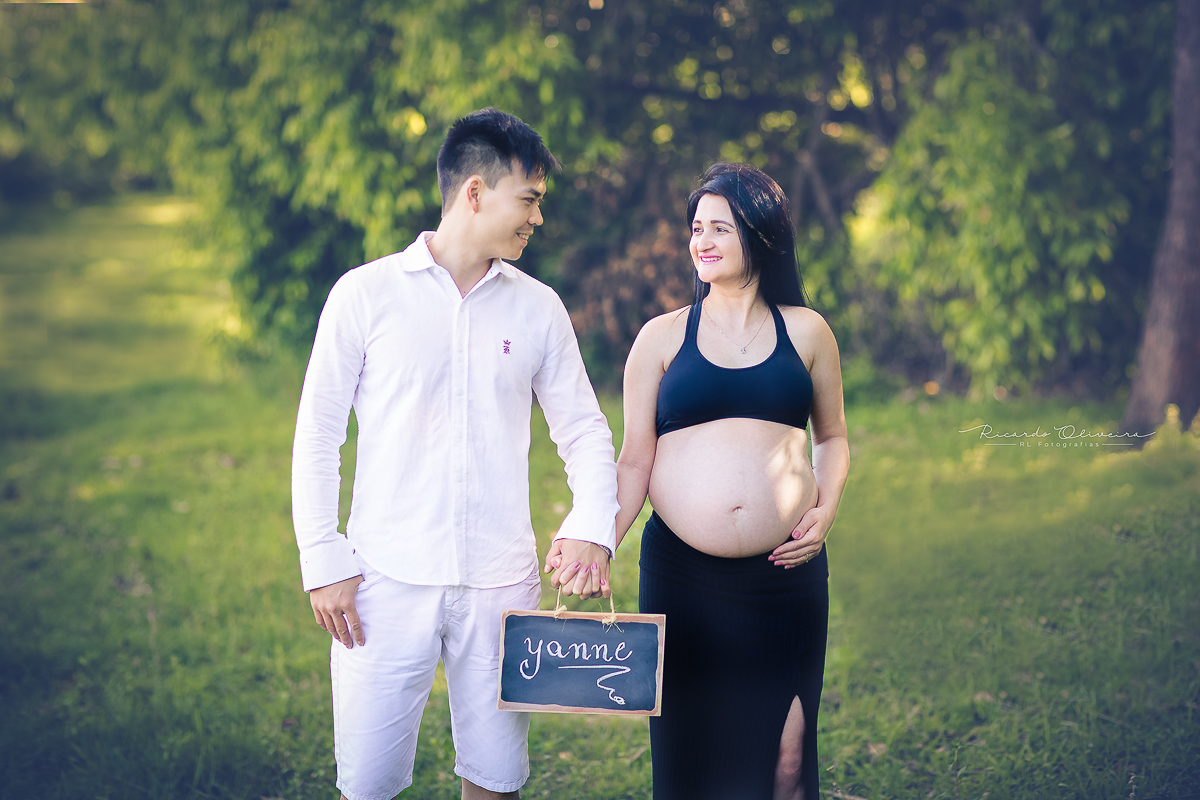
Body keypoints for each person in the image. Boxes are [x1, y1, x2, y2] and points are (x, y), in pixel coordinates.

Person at [291, 107, 618, 800]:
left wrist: (592, 522)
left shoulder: (539, 308)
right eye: (528, 200)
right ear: (475, 192)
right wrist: (323, 559)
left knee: (496, 780)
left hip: (502, 583)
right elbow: (318, 432)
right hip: (380, 583)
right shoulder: (365, 295)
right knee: (367, 785)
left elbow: (585, 430)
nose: (537, 218)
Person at [613, 163, 849, 799]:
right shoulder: (661, 337)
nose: (702, 240)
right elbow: (634, 460)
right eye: (697, 228)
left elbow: (831, 438)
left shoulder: (807, 331)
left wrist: (825, 509)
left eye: (721, 227)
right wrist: (599, 541)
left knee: (787, 759)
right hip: (682, 579)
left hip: (785, 577)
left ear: (761, 232)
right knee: (692, 760)